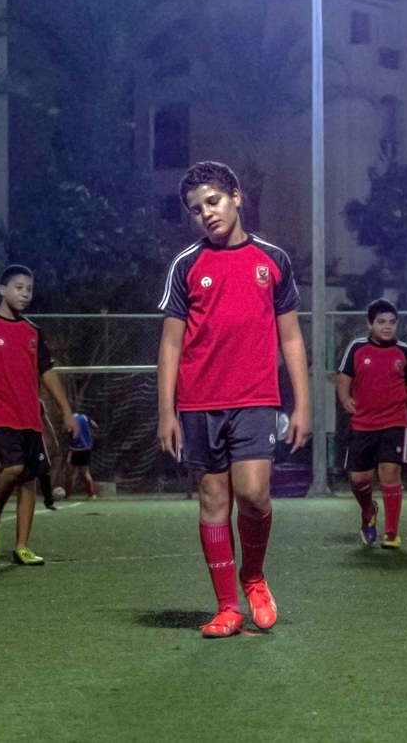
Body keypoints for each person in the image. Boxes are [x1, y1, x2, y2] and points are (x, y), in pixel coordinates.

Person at [157, 161, 311, 638]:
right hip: (199, 403)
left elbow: (290, 337)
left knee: (253, 494)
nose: (206, 213)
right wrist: (166, 411)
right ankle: (227, 606)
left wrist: (302, 403)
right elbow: (170, 343)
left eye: (214, 201)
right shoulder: (186, 265)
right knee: (213, 497)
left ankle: (254, 575)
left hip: (256, 399)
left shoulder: (273, 261)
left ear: (237, 198)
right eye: (196, 209)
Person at [0, 265, 79, 565]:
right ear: (2, 290)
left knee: (29, 481)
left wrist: (67, 412)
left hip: (29, 416)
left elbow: (46, 373)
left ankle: (22, 546)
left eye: (29, 289)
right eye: (19, 287)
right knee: (13, 468)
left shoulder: (33, 331)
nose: (25, 293)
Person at [337, 299, 407, 549]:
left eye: (392, 322)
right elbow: (343, 378)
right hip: (362, 424)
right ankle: (368, 511)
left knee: (390, 473)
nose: (387, 327)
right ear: (370, 324)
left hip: (394, 422)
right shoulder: (356, 349)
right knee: (358, 479)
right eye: (381, 322)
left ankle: (391, 533)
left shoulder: (404, 352)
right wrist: (345, 398)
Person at [69, 412, 97, 500]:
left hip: (76, 448)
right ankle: (91, 494)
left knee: (71, 472)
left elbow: (75, 433)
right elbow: (95, 425)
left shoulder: (71, 420)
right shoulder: (85, 417)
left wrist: (72, 440)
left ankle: (68, 494)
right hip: (87, 447)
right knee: (86, 472)